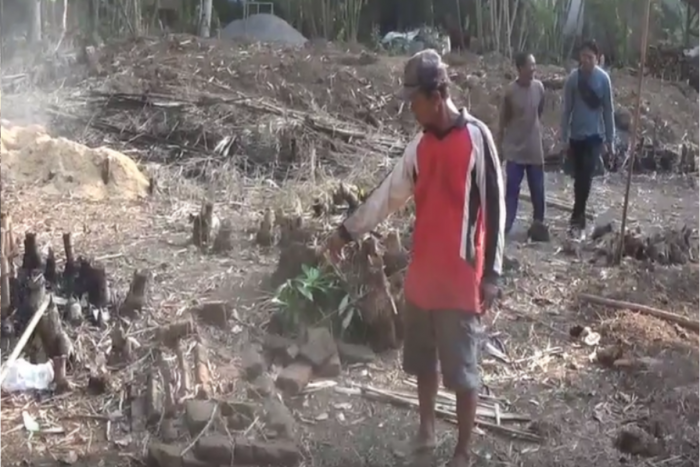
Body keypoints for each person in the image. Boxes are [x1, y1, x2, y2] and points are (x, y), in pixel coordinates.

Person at [324, 49, 505, 467]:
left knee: (462, 369)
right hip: (423, 273)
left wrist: (492, 272)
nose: (410, 108)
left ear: (437, 95)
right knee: (423, 360)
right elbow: (387, 196)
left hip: (461, 276)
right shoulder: (418, 148)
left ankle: (462, 450)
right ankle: (425, 431)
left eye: (414, 100)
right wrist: (345, 232)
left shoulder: (478, 139)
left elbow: (496, 210)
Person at [560, 39, 615, 238]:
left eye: (590, 57)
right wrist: (563, 138)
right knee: (579, 179)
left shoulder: (603, 80)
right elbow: (566, 110)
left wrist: (611, 140)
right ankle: (578, 216)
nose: (587, 61)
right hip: (576, 136)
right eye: (583, 57)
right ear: (579, 58)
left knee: (586, 177)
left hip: (595, 137)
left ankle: (577, 218)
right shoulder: (573, 80)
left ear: (597, 59)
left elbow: (608, 110)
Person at [497, 52, 549, 241]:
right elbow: (502, 121)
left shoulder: (539, 88)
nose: (533, 69)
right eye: (530, 66)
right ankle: (507, 224)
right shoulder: (510, 92)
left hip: (534, 148)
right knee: (512, 189)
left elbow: (539, 111)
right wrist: (500, 147)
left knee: (538, 189)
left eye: (535, 65)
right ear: (519, 69)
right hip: (515, 149)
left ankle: (538, 225)